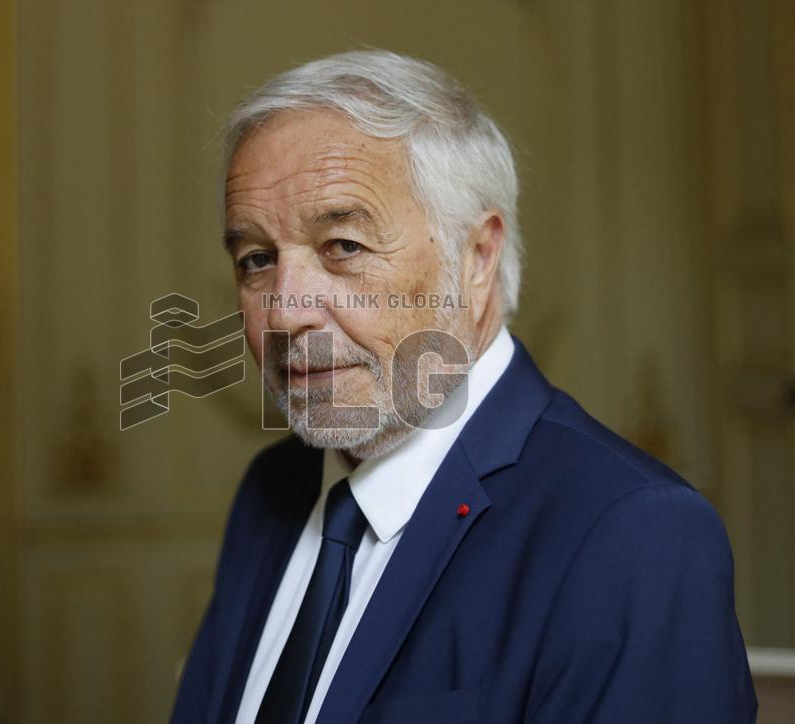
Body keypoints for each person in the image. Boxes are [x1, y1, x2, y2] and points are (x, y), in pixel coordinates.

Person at [171, 49, 757, 723]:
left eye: (344, 247)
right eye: (257, 260)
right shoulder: (270, 493)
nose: (283, 310)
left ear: (477, 259)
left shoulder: (632, 532)